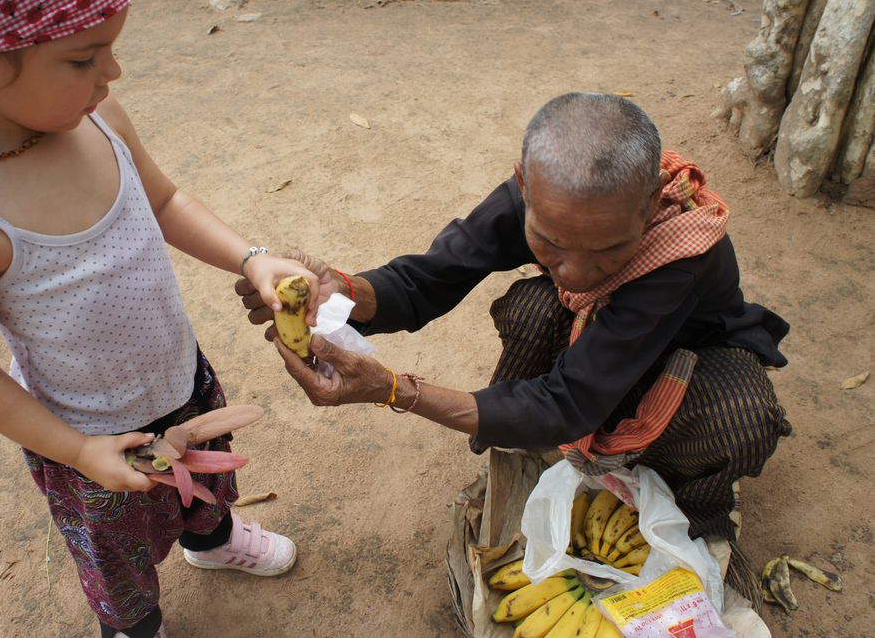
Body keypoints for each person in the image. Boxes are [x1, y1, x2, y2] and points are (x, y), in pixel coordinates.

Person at [0, 0, 321, 636]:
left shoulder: (98, 116)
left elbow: (165, 200)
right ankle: (133, 626)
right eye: (85, 57)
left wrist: (252, 260)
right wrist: (78, 451)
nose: (112, 75)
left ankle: (212, 539)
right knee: (118, 557)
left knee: (203, 488)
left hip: (179, 382)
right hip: (92, 438)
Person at [238, 92, 792, 545]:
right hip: (601, 341)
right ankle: (522, 442)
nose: (575, 273)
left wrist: (394, 390)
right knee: (533, 307)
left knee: (739, 421)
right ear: (525, 187)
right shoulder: (529, 198)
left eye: (609, 250)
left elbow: (569, 401)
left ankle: (690, 513)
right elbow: (428, 279)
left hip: (687, 353)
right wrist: (341, 293)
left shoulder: (682, 253)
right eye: (550, 243)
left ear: (650, 206)